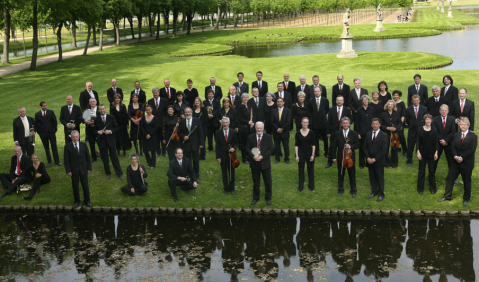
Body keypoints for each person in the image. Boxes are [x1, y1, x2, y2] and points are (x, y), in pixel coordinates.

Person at [438, 117, 477, 206]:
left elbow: (472, 150)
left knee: (467, 181)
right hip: (455, 162)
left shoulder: (473, 136)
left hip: (467, 163)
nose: (462, 126)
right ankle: (447, 196)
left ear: (468, 125)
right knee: (450, 178)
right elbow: (453, 147)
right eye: (460, 124)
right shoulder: (456, 135)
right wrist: (456, 157)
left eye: (463, 124)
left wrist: (462, 157)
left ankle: (466, 198)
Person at [245, 122, 274, 206]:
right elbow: (247, 148)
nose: (259, 130)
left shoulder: (268, 137)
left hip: (265, 163)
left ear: (263, 128)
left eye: (260, 128)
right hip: (254, 163)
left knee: (268, 181)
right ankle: (255, 197)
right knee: (256, 181)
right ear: (255, 128)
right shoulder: (250, 137)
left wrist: (262, 157)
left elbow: (271, 149)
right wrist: (253, 157)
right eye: (257, 128)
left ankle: (268, 198)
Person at [331, 117, 360, 198]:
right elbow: (334, 146)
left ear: (349, 124)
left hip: (350, 158)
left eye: (347, 123)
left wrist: (350, 146)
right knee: (341, 174)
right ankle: (340, 189)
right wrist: (333, 157)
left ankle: (353, 191)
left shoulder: (354, 133)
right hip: (341, 157)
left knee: (352, 174)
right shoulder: (337, 133)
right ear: (341, 124)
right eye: (344, 123)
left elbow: (358, 144)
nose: (345, 124)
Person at [63, 131, 92, 208]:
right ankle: (77, 201)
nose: (75, 138)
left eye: (76, 137)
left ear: (78, 137)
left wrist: (89, 168)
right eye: (73, 137)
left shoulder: (84, 145)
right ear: (71, 137)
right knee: (75, 186)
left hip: (83, 169)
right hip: (73, 170)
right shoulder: (67, 146)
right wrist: (68, 170)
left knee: (85, 185)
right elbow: (66, 160)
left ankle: (87, 200)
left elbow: (88, 158)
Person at [95, 104, 124, 180]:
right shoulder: (96, 119)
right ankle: (108, 173)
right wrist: (98, 132)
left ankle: (119, 173)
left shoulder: (111, 117)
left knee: (114, 158)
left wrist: (110, 131)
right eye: (100, 109)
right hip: (102, 142)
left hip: (111, 140)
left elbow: (117, 127)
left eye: (103, 109)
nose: (102, 110)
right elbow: (94, 130)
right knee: (105, 158)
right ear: (98, 110)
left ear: (106, 109)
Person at [364, 118, 388, 202]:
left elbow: (384, 150)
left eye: (376, 124)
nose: (375, 125)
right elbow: (365, 147)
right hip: (369, 161)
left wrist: (375, 159)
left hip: (379, 161)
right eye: (373, 124)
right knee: (372, 177)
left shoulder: (384, 135)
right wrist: (367, 157)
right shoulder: (368, 134)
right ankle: (374, 191)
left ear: (379, 125)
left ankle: (381, 193)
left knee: (379, 177)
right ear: (371, 125)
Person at [178, 107, 204, 183]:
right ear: (184, 113)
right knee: (187, 161)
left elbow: (201, 133)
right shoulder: (182, 122)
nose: (188, 113)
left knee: (196, 161)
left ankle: (196, 176)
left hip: (195, 144)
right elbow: (179, 132)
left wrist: (201, 143)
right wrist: (183, 137)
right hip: (186, 145)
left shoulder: (197, 120)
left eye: (189, 112)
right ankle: (188, 175)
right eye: (186, 112)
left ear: (191, 113)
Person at [326, 96, 353, 168]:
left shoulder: (347, 110)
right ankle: (330, 161)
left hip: (343, 132)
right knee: (332, 146)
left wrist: (347, 126)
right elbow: (328, 122)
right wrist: (328, 132)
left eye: (341, 100)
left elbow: (350, 119)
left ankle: (344, 161)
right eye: (338, 100)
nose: (339, 101)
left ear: (343, 101)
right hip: (333, 132)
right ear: (336, 101)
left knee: (343, 146)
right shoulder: (331, 109)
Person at [215, 117, 239, 195]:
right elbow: (217, 145)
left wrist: (233, 148)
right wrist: (218, 157)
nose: (225, 124)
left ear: (229, 123)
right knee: (224, 173)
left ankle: (232, 188)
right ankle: (226, 188)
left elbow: (236, 143)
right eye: (223, 122)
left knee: (232, 172)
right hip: (222, 155)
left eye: (226, 122)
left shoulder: (233, 132)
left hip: (231, 156)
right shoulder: (218, 132)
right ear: (221, 123)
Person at [416, 114, 439, 195]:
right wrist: (418, 152)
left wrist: (436, 152)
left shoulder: (434, 130)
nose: (428, 121)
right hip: (422, 153)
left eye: (430, 119)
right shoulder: (419, 129)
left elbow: (436, 142)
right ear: (424, 120)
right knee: (421, 171)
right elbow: (418, 142)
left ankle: (432, 188)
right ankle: (420, 188)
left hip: (432, 153)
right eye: (427, 119)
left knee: (432, 171)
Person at [34, 101, 62, 166]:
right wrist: (39, 132)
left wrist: (54, 130)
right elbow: (36, 124)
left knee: (54, 146)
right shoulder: (37, 114)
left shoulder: (51, 112)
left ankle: (57, 161)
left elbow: (55, 122)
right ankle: (49, 161)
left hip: (51, 132)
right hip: (43, 133)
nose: (45, 106)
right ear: (41, 106)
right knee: (46, 147)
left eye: (46, 105)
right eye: (44, 106)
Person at [405, 95, 428, 166]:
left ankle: (425, 160)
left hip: (421, 130)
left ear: (419, 100)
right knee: (410, 146)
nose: (416, 102)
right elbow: (408, 120)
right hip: (412, 130)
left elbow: (426, 119)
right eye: (414, 100)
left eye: (417, 100)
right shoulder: (408, 109)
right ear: (412, 101)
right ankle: (409, 160)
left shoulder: (424, 109)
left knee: (424, 146)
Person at [295, 117, 316, 192]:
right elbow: (296, 145)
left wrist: (313, 155)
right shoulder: (298, 133)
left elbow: (313, 145)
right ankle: (301, 186)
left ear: (308, 123)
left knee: (310, 169)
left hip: (309, 153)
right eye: (304, 122)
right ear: (301, 123)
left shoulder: (311, 132)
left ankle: (311, 186)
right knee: (301, 169)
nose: (305, 124)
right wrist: (297, 155)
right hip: (301, 153)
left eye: (306, 122)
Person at [433, 104, 455, 173]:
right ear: (439, 111)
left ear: (448, 111)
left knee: (451, 161)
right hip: (438, 143)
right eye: (442, 110)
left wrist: (446, 140)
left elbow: (453, 131)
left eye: (445, 110)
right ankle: (431, 177)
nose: (444, 112)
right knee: (434, 161)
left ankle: (451, 178)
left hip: (448, 143)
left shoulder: (452, 119)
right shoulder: (435, 119)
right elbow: (434, 131)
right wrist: (441, 140)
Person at [380, 100, 402, 168]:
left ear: (393, 106)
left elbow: (400, 123)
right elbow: (380, 124)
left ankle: (394, 163)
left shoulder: (396, 113)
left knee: (394, 148)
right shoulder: (383, 114)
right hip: (386, 133)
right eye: (389, 104)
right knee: (386, 148)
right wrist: (387, 128)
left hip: (395, 133)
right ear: (387, 105)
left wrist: (395, 128)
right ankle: (386, 162)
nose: (390, 106)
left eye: (391, 104)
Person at [309, 87, 329, 158]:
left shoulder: (325, 100)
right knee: (315, 139)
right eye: (315, 91)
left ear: (321, 92)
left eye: (318, 91)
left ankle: (326, 152)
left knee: (325, 139)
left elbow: (326, 110)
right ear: (314, 92)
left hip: (323, 123)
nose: (317, 93)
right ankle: (316, 152)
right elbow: (310, 111)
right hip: (314, 123)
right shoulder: (311, 101)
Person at [147, 87, 168, 157]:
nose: (155, 94)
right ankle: (158, 151)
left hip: (162, 123)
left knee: (163, 138)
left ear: (159, 93)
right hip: (154, 123)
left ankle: (164, 151)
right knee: (156, 138)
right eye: (154, 93)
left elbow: (166, 112)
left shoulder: (164, 101)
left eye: (156, 93)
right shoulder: (150, 101)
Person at [355, 95, 374, 169]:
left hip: (370, 132)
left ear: (368, 101)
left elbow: (374, 120)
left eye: (366, 100)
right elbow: (356, 122)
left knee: (370, 148)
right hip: (362, 132)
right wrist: (358, 133)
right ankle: (361, 164)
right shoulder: (359, 110)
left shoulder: (372, 109)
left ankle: (368, 163)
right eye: (364, 100)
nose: (365, 101)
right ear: (362, 101)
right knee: (362, 148)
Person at [272, 97, 292, 164]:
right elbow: (272, 122)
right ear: (276, 102)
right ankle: (277, 158)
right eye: (278, 101)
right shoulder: (273, 111)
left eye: (281, 101)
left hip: (285, 132)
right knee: (277, 146)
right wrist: (277, 129)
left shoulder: (288, 111)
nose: (279, 103)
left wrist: (282, 129)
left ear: (283, 102)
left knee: (286, 146)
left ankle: (287, 159)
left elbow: (288, 122)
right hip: (276, 132)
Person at [236, 93, 252, 164]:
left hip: (249, 128)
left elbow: (250, 116)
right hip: (243, 128)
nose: (246, 99)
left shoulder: (248, 106)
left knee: (248, 143)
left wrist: (252, 122)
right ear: (242, 99)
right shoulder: (240, 107)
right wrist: (247, 122)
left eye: (247, 97)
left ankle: (248, 157)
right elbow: (239, 118)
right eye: (244, 98)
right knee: (244, 144)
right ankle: (244, 158)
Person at [392, 90, 408, 156]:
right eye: (394, 95)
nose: (395, 96)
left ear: (399, 96)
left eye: (397, 95)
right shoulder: (391, 103)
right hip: (393, 123)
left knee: (401, 136)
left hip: (400, 122)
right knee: (394, 137)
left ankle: (405, 150)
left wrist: (401, 124)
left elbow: (403, 114)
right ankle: (397, 148)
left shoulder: (402, 103)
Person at [84, 98, 99, 162]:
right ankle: (93, 157)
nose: (92, 103)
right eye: (91, 102)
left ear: (96, 102)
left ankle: (103, 155)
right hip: (90, 129)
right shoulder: (87, 110)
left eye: (93, 101)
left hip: (98, 129)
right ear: (89, 103)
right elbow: (83, 118)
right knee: (91, 144)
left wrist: (95, 122)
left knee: (100, 143)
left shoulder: (100, 109)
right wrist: (86, 121)